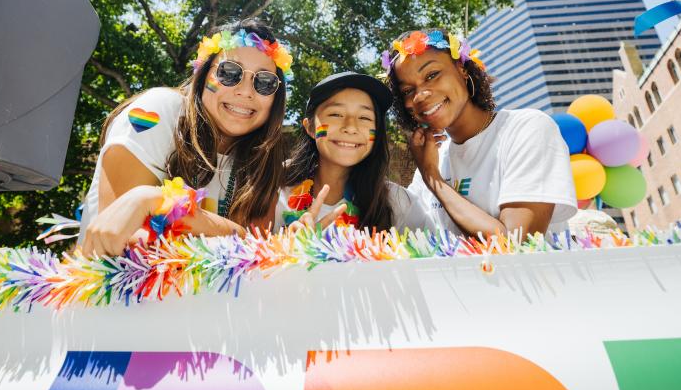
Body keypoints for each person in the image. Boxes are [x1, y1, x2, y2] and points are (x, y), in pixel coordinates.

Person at [78, 19, 291, 256]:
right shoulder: (158, 110)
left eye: (264, 82)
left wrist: (153, 202)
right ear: (202, 74)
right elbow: (128, 240)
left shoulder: (263, 162)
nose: (245, 91)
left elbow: (254, 253)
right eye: (229, 72)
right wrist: (237, 234)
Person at [384, 29, 576, 238]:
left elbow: (516, 242)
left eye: (432, 75)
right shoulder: (432, 159)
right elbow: (412, 233)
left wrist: (434, 180)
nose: (420, 95)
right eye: (407, 91)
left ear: (462, 69)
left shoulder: (527, 128)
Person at [275, 72, 434, 232]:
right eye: (335, 114)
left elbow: (436, 253)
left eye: (364, 118)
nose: (351, 127)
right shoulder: (274, 194)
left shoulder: (398, 202)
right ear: (310, 127)